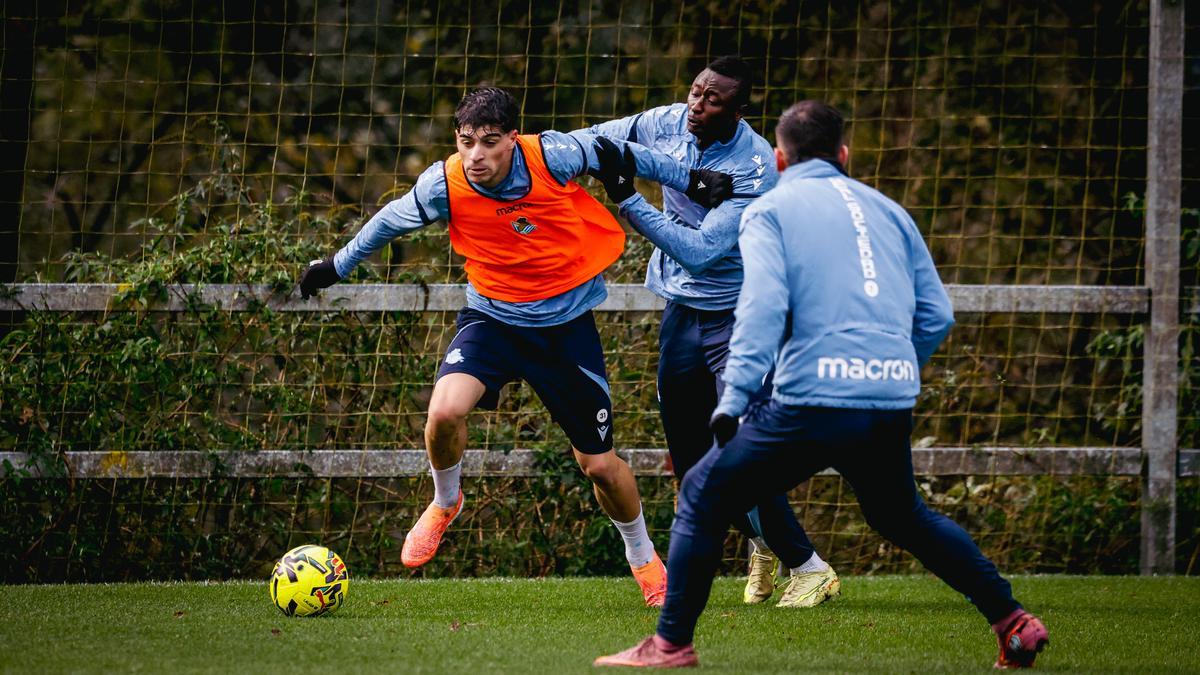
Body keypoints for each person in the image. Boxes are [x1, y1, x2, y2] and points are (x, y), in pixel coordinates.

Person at [594, 100, 1049, 668]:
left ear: (779, 159)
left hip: (811, 399)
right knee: (902, 516)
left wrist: (732, 401)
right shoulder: (890, 211)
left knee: (704, 493)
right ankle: (1012, 621)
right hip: (887, 396)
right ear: (844, 155)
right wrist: (893, 368)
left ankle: (669, 645)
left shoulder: (770, 208)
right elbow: (936, 316)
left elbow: (759, 312)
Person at [298, 87, 733, 607]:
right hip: (492, 320)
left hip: (564, 329)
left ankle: (643, 558)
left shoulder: (554, 154)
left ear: (512, 138)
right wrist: (334, 266)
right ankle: (444, 502)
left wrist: (690, 179)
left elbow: (619, 152)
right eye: (465, 143)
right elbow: (390, 219)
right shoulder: (447, 183)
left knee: (598, 465)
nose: (475, 156)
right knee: (442, 413)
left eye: (488, 143)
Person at [580, 56, 838, 608]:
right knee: (693, 460)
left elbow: (698, 254)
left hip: (740, 317)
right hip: (681, 315)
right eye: (696, 93)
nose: (697, 105)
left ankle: (811, 568)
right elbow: (597, 139)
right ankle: (763, 540)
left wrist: (627, 198)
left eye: (713, 99)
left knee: (743, 449)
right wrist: (528, 152)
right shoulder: (668, 122)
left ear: (739, 110)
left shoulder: (754, 167)